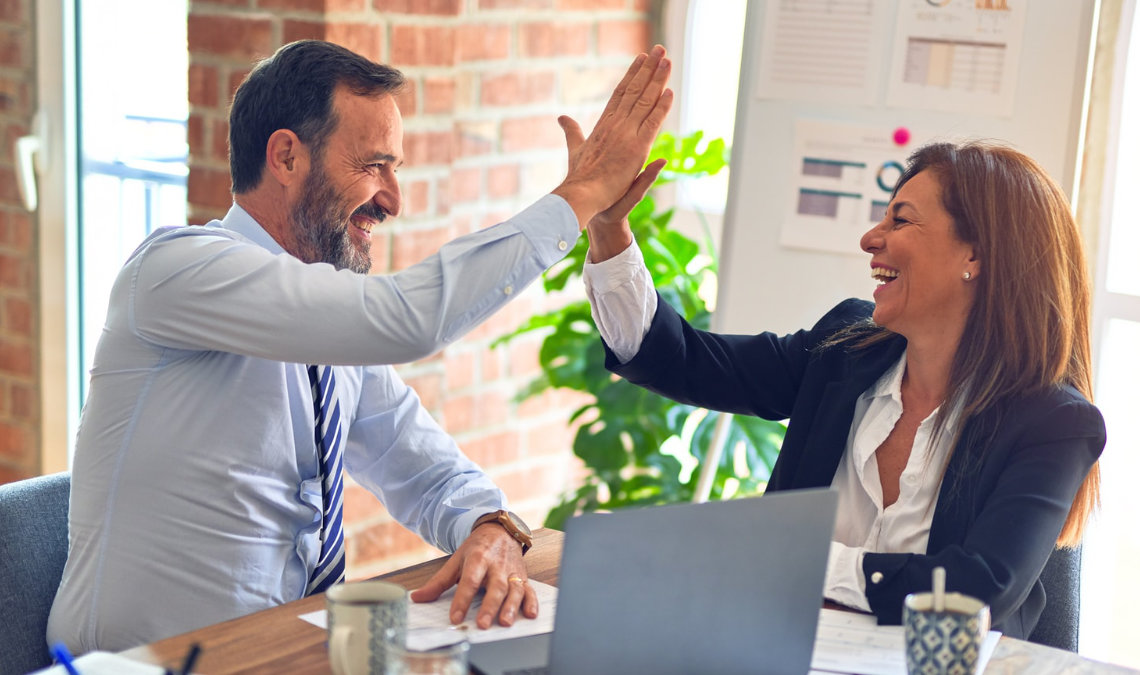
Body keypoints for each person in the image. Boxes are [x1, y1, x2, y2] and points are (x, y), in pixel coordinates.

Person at [48, 40, 672, 653]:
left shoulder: (329, 332)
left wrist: (491, 525)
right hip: (143, 666)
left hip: (283, 654)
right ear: (287, 157)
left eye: (394, 169)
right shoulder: (176, 271)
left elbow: (423, 467)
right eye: (374, 165)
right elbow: (408, 319)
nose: (393, 200)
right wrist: (581, 195)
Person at [582, 141, 1104, 639]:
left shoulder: (1053, 423)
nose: (870, 239)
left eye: (900, 219)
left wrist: (796, 560)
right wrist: (609, 229)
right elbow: (682, 361)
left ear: (976, 256)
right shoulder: (844, 350)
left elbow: (975, 591)